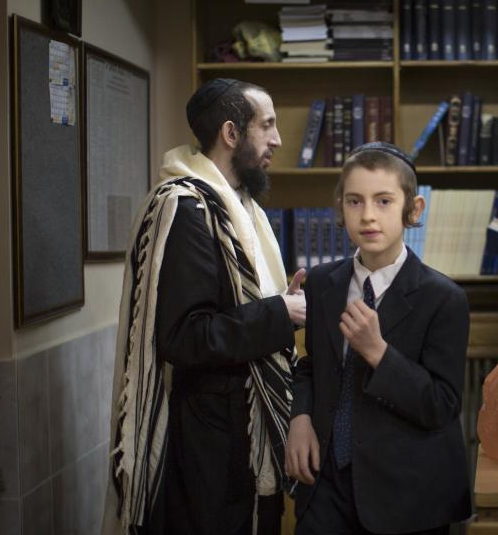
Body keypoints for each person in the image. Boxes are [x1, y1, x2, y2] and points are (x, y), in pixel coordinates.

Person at [103, 78, 307, 534]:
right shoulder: (185, 208)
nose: (277, 139)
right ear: (231, 133)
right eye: (267, 126)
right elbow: (185, 336)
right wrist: (283, 313)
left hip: (242, 433)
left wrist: (280, 303)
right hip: (209, 444)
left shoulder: (241, 205)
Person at [286, 142, 472, 535]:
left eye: (384, 201)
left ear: (413, 209)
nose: (368, 216)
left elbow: (442, 405)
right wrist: (300, 419)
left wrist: (378, 352)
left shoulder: (444, 298)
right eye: (355, 202)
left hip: (406, 494)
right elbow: (312, 366)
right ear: (339, 207)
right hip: (327, 486)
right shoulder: (322, 283)